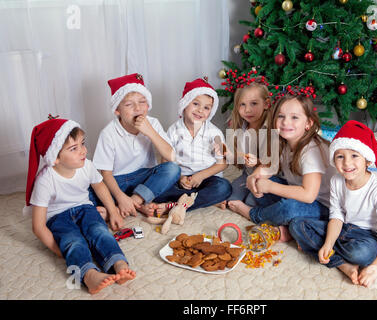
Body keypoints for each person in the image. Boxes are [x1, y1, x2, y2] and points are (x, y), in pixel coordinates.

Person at [24, 117, 136, 295]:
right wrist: (58, 249)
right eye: (73, 148)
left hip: (85, 208)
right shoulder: (45, 180)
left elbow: (99, 186)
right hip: (57, 217)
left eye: (82, 144)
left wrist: (113, 211)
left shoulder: (87, 166)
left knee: (99, 232)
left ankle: (118, 263)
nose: (83, 151)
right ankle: (88, 275)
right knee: (74, 242)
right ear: (55, 158)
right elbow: (38, 226)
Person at [289, 120, 377, 288]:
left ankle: (324, 250)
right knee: (297, 225)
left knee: (361, 254)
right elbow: (337, 215)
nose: (347, 163)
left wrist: (376, 268)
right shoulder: (336, 180)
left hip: (367, 236)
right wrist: (328, 243)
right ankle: (343, 265)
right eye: (340, 156)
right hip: (343, 229)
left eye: (355, 156)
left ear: (368, 161)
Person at [229, 93, 335, 227]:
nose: (285, 122)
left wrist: (270, 187)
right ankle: (281, 222)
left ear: (308, 123)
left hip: (323, 206)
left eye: (294, 117)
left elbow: (308, 195)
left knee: (288, 208)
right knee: (255, 190)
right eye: (281, 116)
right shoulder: (284, 142)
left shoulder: (311, 150)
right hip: (296, 192)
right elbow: (269, 167)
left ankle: (253, 214)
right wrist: (254, 177)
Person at [91, 73, 180, 217]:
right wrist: (120, 197)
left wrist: (150, 131)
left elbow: (170, 156)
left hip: (145, 178)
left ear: (148, 105)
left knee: (173, 170)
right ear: (117, 110)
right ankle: (135, 204)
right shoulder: (108, 133)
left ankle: (133, 202)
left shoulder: (153, 123)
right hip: (118, 181)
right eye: (129, 104)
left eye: (142, 102)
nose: (137, 108)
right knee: (89, 194)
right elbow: (105, 174)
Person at [151, 77, 231, 214]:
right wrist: (180, 177)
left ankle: (176, 206)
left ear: (210, 111)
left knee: (224, 187)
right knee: (156, 189)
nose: (200, 110)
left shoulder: (214, 132)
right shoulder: (174, 130)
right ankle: (205, 200)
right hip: (181, 179)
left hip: (207, 178)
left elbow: (223, 163)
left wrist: (200, 176)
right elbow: (166, 160)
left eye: (206, 108)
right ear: (185, 104)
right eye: (195, 104)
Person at [223, 72, 272, 210]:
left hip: (267, 177)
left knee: (251, 201)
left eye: (254, 103)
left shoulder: (271, 129)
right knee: (230, 198)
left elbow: (274, 163)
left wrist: (257, 161)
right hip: (247, 175)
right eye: (242, 105)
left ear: (266, 104)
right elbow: (236, 159)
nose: (247, 110)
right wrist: (227, 153)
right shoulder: (241, 129)